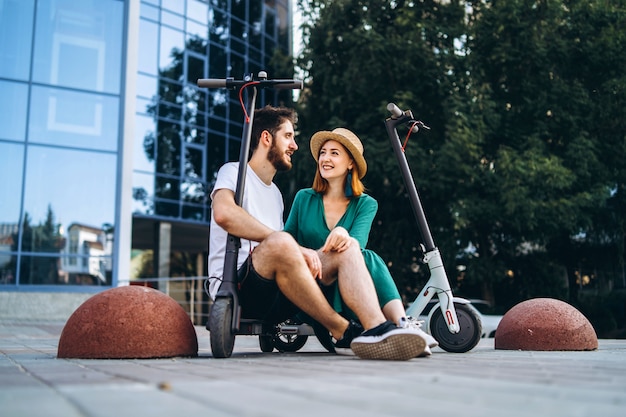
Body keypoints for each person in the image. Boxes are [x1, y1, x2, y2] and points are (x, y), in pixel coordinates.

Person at [207, 105, 427, 360]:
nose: (295, 146)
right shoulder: (234, 172)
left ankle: (377, 329)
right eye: (288, 136)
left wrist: (305, 252)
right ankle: (342, 329)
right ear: (267, 138)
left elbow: (286, 253)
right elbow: (224, 214)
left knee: (349, 248)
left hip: (281, 292)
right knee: (280, 241)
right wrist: (295, 248)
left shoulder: (276, 194)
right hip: (242, 286)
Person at [283, 127, 438, 355]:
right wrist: (312, 254)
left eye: (334, 153)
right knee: (365, 255)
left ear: (350, 163)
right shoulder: (303, 198)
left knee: (364, 255)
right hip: (309, 282)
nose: (325, 158)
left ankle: (401, 326)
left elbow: (356, 246)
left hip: (349, 286)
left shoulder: (366, 204)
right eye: (323, 152)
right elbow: (286, 242)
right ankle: (399, 323)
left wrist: (344, 235)